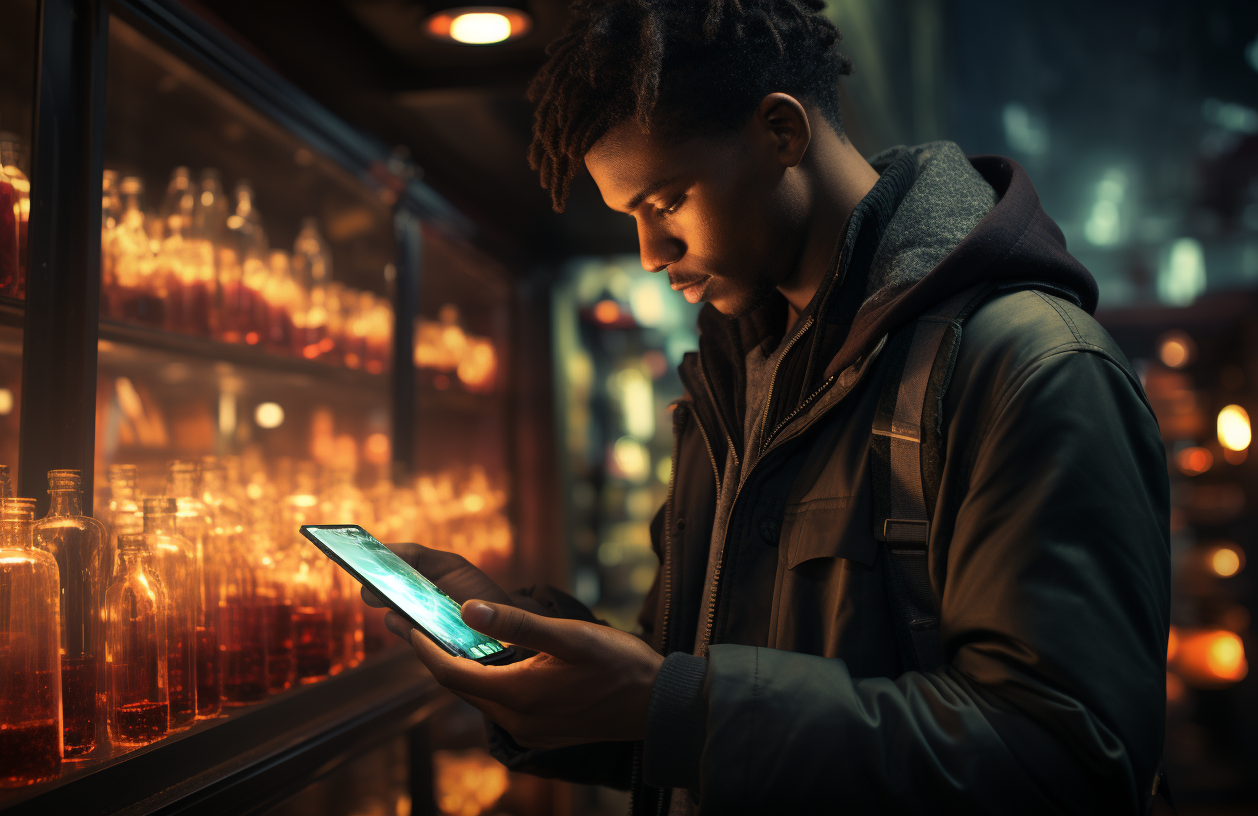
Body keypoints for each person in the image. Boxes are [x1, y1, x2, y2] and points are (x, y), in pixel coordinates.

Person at [364, 1, 1170, 813]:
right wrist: (529, 648)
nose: (650, 255)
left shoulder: (1032, 363)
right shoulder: (732, 379)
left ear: (783, 133)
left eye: (667, 201)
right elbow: (689, 705)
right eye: (632, 219)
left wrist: (676, 705)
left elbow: (1067, 762)